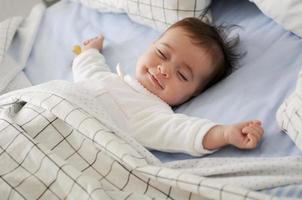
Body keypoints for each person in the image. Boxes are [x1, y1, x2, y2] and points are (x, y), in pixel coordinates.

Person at [72, 17, 263, 156]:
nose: (164, 70)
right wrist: (90, 51)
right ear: (151, 45)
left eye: (182, 75)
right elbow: (88, 69)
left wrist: (226, 133)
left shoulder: (153, 114)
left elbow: (185, 133)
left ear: (193, 94)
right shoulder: (107, 79)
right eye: (162, 54)